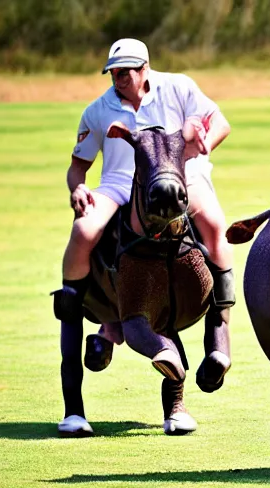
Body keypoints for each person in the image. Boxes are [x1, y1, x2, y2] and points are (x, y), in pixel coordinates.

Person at [53, 38, 234, 361]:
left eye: (125, 72)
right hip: (119, 182)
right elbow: (78, 166)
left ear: (145, 68)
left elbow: (220, 123)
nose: (118, 78)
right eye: (113, 73)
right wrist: (77, 188)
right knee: (84, 232)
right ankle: (73, 299)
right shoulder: (97, 110)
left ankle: (220, 317)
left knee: (214, 224)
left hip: (179, 176)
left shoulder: (178, 87)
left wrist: (200, 147)